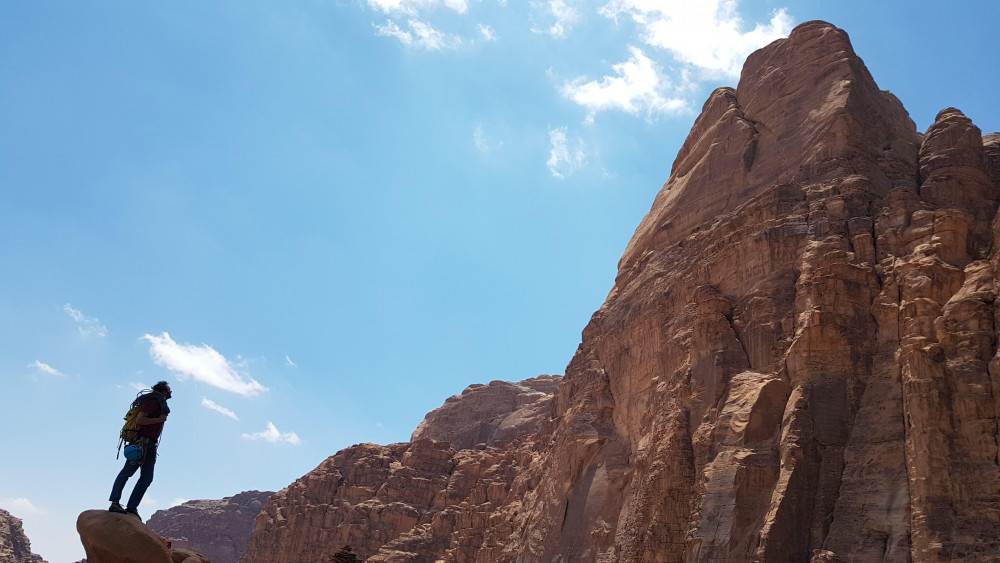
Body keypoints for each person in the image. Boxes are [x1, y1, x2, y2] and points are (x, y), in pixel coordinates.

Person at [108, 381, 172, 520]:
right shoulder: (153, 402)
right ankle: (114, 503)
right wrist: (159, 419)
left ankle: (132, 507)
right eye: (169, 389)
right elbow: (140, 420)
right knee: (127, 472)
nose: (171, 391)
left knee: (147, 478)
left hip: (150, 444)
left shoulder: (160, 403)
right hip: (142, 442)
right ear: (163, 391)